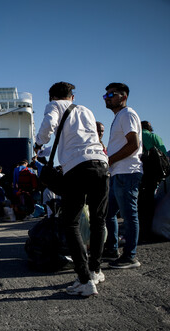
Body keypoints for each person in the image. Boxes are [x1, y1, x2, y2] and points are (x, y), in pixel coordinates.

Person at [34, 81, 109, 296]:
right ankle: (95, 270)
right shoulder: (86, 110)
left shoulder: (54, 106)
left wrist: (39, 143)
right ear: (72, 97)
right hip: (101, 165)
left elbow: (48, 126)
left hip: (78, 168)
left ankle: (85, 280)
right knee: (98, 220)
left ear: (52, 97)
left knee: (71, 223)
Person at [103, 82, 143, 269]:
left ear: (123, 96)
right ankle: (111, 249)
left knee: (129, 215)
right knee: (108, 213)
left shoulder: (127, 114)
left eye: (111, 95)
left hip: (127, 172)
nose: (107, 98)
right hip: (118, 173)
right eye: (105, 96)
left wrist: (110, 160)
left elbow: (133, 144)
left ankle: (130, 256)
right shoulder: (119, 116)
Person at [138, 121, 168, 241]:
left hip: (138, 172)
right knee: (150, 201)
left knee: (140, 202)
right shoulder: (154, 137)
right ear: (149, 127)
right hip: (152, 174)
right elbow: (163, 153)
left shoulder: (136, 135)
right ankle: (151, 230)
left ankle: (142, 231)